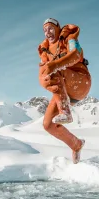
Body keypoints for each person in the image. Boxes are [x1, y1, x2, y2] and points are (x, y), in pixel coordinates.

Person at [38, 18, 91, 164]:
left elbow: (75, 54)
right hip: (65, 91)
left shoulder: (69, 38)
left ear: (57, 28)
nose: (47, 32)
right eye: (44, 30)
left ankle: (65, 112)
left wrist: (55, 65)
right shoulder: (46, 49)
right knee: (48, 125)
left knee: (52, 70)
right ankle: (76, 144)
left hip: (80, 81)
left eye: (50, 28)